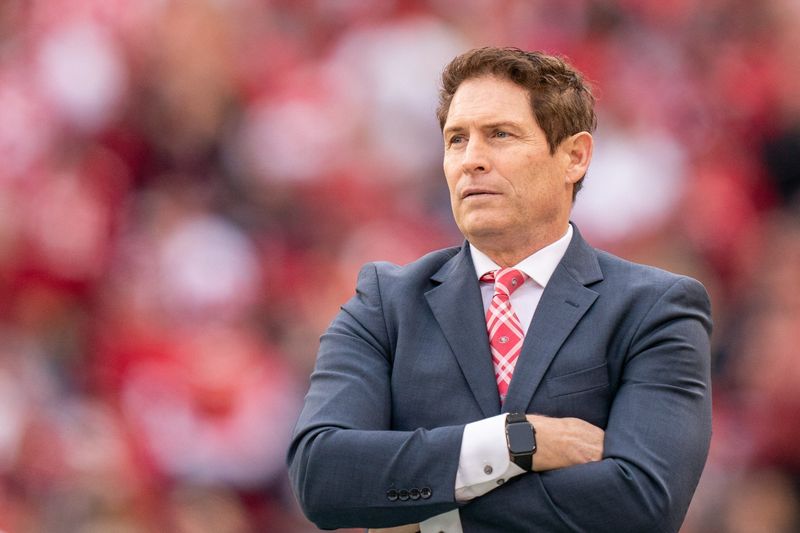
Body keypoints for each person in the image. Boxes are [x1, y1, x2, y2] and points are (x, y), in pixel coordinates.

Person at [287, 47, 712, 533]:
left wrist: (428, 523)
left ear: (574, 156)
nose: (471, 161)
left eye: (500, 135)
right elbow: (322, 474)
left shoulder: (653, 308)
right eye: (456, 140)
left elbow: (643, 503)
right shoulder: (384, 304)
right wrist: (513, 443)